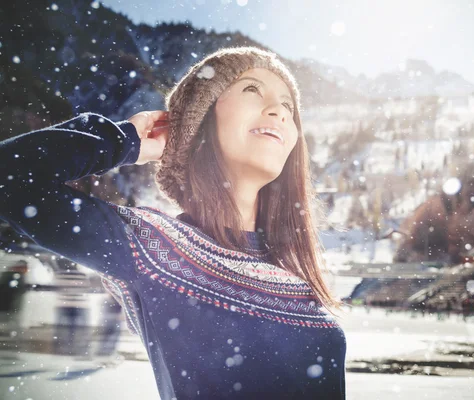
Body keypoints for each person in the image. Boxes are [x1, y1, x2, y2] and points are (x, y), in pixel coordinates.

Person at [0, 46, 347, 399]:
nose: (279, 112)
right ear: (202, 119)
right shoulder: (155, 250)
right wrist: (123, 141)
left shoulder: (295, 272)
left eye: (288, 106)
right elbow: (9, 176)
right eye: (251, 90)